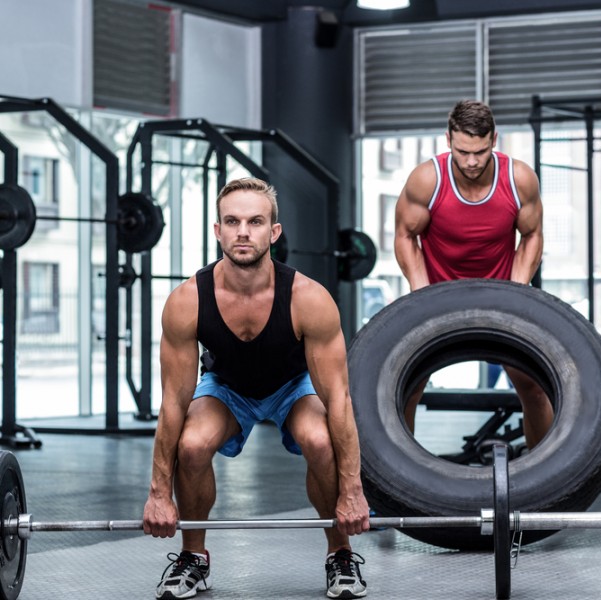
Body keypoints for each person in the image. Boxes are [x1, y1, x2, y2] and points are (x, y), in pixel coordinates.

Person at [142, 177, 371, 599]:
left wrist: (354, 492)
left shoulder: (309, 298)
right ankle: (194, 558)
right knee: (191, 445)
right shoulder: (187, 300)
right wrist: (158, 493)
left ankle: (339, 552)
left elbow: (337, 399)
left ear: (274, 232)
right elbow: (173, 401)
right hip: (227, 388)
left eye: (255, 221)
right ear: (218, 231)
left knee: (320, 440)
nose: (243, 231)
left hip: (291, 386)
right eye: (232, 221)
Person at [394, 99, 554, 448]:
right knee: (406, 386)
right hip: (437, 292)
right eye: (462, 151)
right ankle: (399, 480)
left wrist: (517, 290)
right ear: (448, 139)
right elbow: (405, 236)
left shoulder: (518, 179)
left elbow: (532, 235)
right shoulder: (427, 180)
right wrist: (421, 292)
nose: (470, 162)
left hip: (499, 292)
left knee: (534, 385)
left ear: (494, 140)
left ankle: (544, 478)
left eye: (479, 152)